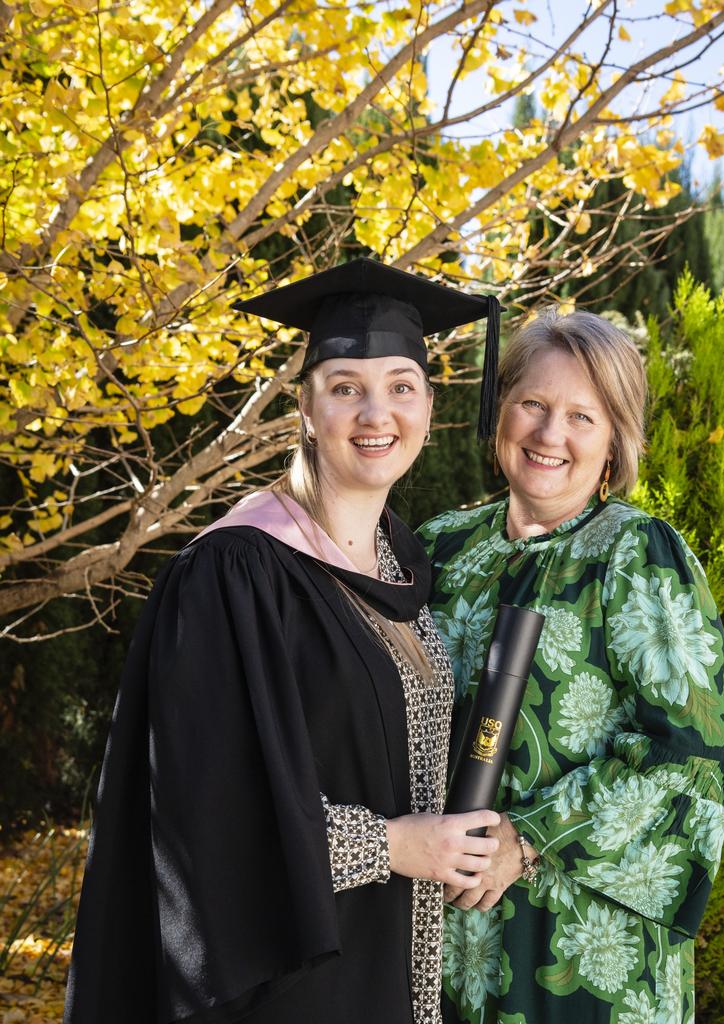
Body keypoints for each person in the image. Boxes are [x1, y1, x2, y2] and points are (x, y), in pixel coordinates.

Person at [63, 258, 505, 1024]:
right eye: (346, 389)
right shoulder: (234, 573)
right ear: (305, 409)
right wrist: (394, 847)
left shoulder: (408, 573)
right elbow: (201, 812)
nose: (377, 414)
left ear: (431, 407)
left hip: (391, 975)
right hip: (282, 986)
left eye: (402, 386)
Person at [418, 308, 724, 1024]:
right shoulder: (440, 549)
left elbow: (692, 754)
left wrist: (527, 839)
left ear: (616, 440)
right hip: (444, 943)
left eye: (581, 417)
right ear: (501, 411)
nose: (549, 433)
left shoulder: (639, 554)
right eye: (532, 403)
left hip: (585, 952)